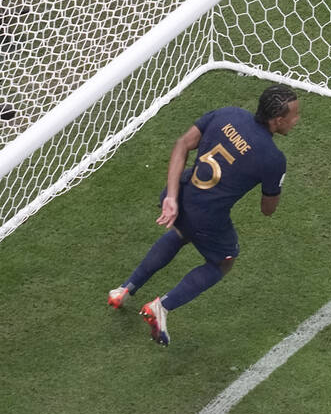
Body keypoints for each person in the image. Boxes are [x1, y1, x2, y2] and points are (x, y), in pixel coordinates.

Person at [107, 84, 301, 345]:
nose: (296, 120)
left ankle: (124, 290)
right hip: (207, 218)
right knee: (223, 261)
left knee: (179, 232)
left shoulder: (228, 114)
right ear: (278, 120)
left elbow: (182, 144)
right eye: (294, 116)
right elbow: (268, 210)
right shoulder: (273, 159)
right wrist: (275, 185)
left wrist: (172, 198)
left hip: (179, 195)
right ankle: (161, 307)